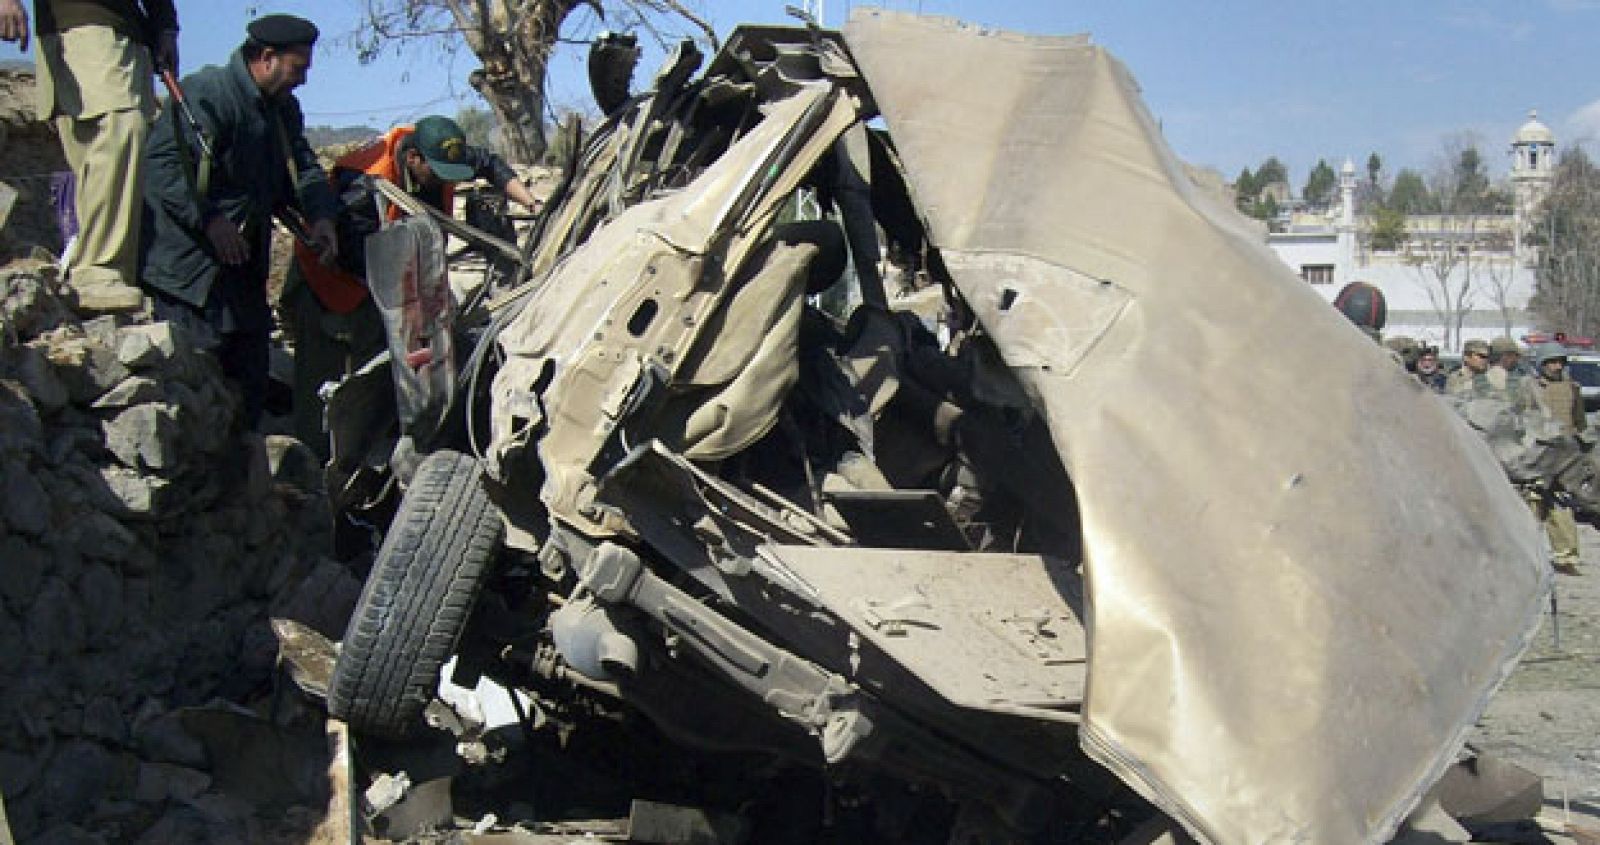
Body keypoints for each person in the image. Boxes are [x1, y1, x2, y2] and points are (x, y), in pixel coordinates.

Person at [282, 115, 537, 458]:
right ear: (413, 158)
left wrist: (531, 203)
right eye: (437, 173)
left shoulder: (442, 155)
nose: (444, 181)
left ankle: (380, 446)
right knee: (322, 377)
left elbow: (489, 164)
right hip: (330, 281)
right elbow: (359, 260)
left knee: (382, 364)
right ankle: (311, 463)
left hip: (391, 280)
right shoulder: (362, 187)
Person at [138, 14, 338, 431]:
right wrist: (209, 220)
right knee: (196, 399)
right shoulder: (208, 94)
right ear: (266, 58)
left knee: (247, 395)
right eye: (297, 68)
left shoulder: (283, 111)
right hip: (190, 282)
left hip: (243, 281)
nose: (302, 80)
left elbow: (303, 169)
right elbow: (163, 169)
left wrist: (321, 217)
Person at [0, 0, 179, 311]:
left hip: (131, 32)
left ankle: (103, 275)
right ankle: (97, 273)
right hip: (80, 21)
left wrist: (165, 25)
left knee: (106, 155)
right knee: (121, 127)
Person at [1521, 343, 1585, 575]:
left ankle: (1566, 554)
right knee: (1533, 500)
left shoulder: (1572, 388)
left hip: (1564, 453)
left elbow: (1579, 421)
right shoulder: (1529, 387)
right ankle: (1526, 550)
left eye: (1560, 362)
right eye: (1551, 362)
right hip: (1538, 450)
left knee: (1561, 505)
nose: (1556, 366)